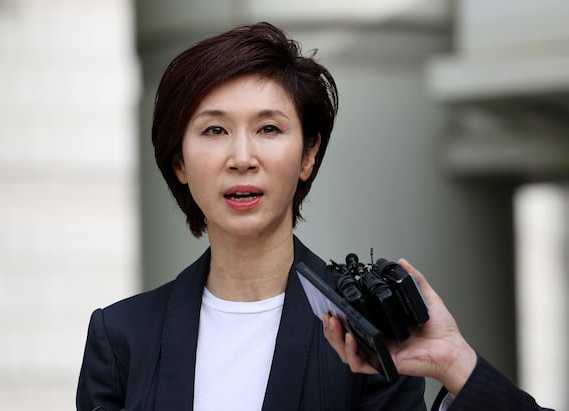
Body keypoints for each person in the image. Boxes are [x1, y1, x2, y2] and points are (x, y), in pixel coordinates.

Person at [76, 22, 554, 411]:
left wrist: (454, 363)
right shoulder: (121, 339)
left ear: (308, 154)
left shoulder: (364, 339)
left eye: (268, 128)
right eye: (215, 130)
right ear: (179, 161)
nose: (241, 158)